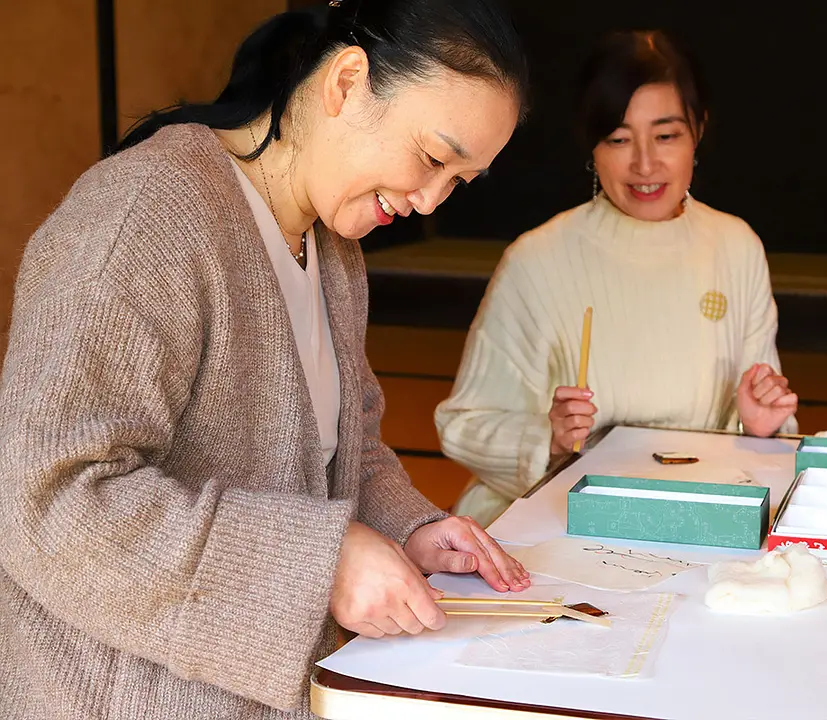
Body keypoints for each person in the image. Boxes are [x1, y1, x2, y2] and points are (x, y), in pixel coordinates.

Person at [0, 1, 531, 717]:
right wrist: (321, 565)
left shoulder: (334, 246)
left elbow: (349, 449)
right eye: (433, 158)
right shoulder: (144, 216)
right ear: (346, 81)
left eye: (458, 181)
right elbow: (43, 500)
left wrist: (411, 527)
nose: (430, 198)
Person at [435, 30, 798, 528]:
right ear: (594, 145)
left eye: (666, 136)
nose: (645, 163)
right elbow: (465, 424)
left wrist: (757, 428)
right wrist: (550, 438)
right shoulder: (538, 258)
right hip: (564, 524)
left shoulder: (736, 247)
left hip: (697, 522)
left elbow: (765, 424)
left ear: (699, 130)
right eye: (619, 139)